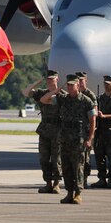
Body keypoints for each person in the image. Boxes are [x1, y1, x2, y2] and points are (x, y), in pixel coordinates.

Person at [41, 74, 96, 204]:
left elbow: (93, 121)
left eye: (73, 85)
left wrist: (90, 138)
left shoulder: (86, 101)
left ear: (78, 85)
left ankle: (78, 193)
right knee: (66, 167)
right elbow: (44, 100)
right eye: (69, 85)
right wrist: (55, 90)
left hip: (79, 139)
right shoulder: (63, 99)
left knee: (77, 167)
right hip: (64, 139)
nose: (70, 87)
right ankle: (69, 193)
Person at [22, 70, 65, 194]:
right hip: (45, 130)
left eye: (52, 79)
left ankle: (56, 184)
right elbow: (26, 92)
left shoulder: (62, 95)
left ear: (57, 80)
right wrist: (38, 81)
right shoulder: (42, 93)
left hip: (58, 131)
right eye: (48, 80)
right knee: (44, 159)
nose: (50, 82)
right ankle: (48, 183)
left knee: (56, 159)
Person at [92, 75, 111, 189]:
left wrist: (104, 116)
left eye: (108, 84)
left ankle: (110, 178)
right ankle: (102, 178)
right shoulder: (100, 98)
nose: (106, 86)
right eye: (105, 84)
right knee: (99, 156)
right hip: (100, 131)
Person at [76, 71, 97, 188]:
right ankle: (78, 180)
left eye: (81, 80)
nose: (79, 83)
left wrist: (91, 135)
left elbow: (94, 116)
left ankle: (84, 179)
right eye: (78, 81)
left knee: (86, 158)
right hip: (76, 131)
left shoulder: (90, 95)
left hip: (87, 130)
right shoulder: (75, 95)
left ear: (86, 81)